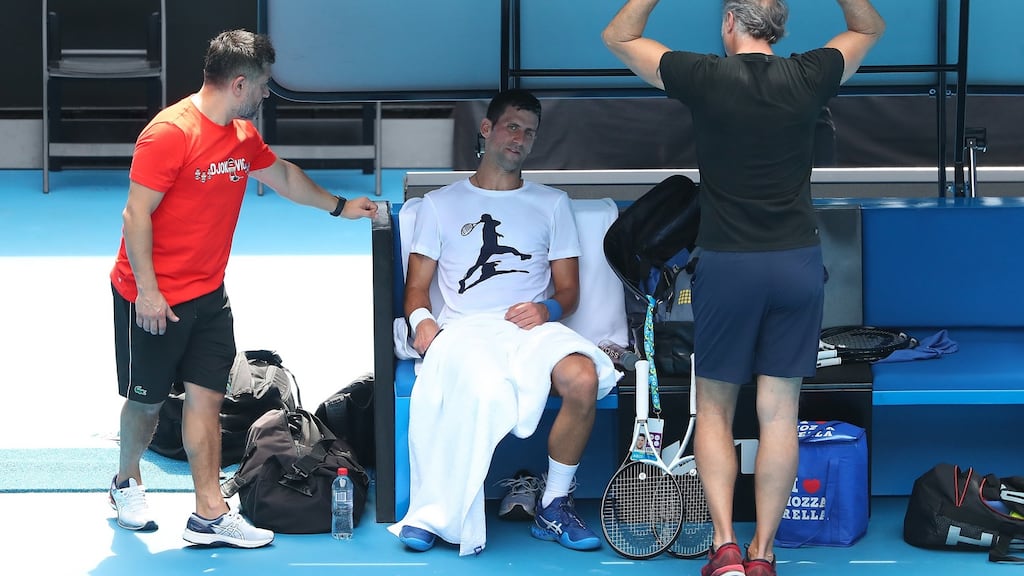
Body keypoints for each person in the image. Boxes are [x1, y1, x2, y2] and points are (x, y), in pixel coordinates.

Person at [603, 1, 883, 575]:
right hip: (796, 263)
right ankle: (764, 556)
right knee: (780, 412)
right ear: (777, 27)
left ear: (730, 22)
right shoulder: (810, 73)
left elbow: (619, 35)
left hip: (729, 265)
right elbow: (868, 27)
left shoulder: (704, 75)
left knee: (713, 410)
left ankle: (725, 548)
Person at [107, 29, 377, 548]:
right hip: (151, 298)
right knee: (145, 402)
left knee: (206, 401)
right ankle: (125, 482)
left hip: (209, 295)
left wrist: (341, 207)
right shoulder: (169, 134)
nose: (265, 95)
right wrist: (148, 293)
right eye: (262, 86)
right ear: (238, 83)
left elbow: (287, 178)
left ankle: (209, 513)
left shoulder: (241, 137)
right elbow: (135, 215)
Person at [387, 89, 618, 556]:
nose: (520, 139)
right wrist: (422, 321)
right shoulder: (438, 205)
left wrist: (547, 310)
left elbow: (568, 292)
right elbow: (416, 288)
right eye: (512, 127)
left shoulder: (553, 204)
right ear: (487, 129)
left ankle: (554, 504)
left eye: (529, 132)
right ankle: (436, 511)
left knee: (583, 377)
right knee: (476, 387)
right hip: (466, 330)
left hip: (529, 330)